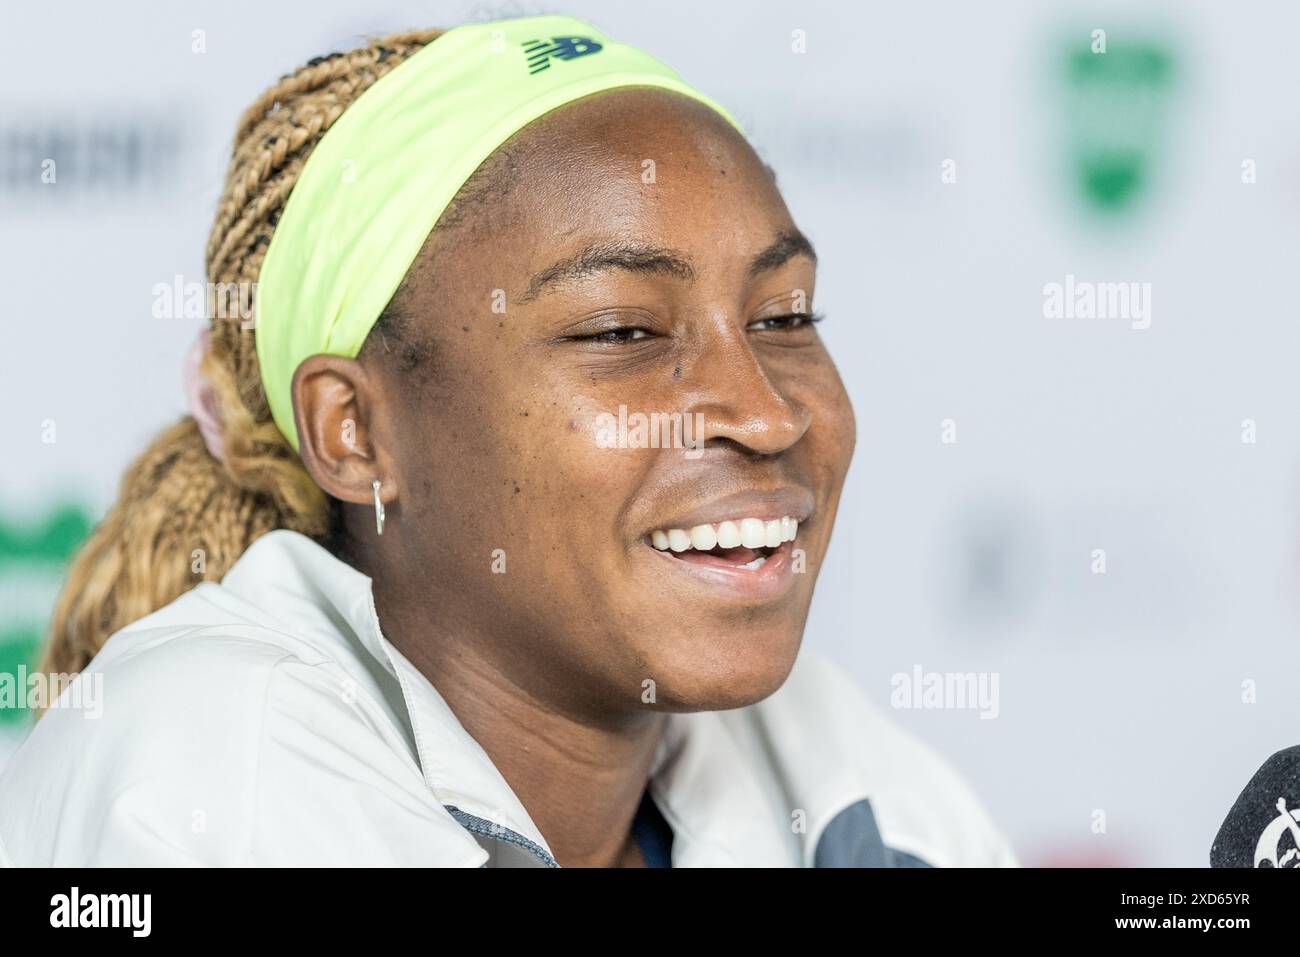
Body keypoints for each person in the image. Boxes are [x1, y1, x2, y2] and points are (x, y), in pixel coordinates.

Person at [0, 14, 1016, 867]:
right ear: (356, 433)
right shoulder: (212, 764)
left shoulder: (842, 775)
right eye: (622, 331)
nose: (764, 414)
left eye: (784, 319)